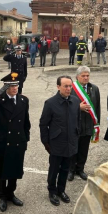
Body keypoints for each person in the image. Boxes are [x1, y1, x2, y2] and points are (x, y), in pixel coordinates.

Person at [0, 73, 31, 212]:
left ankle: (11, 193)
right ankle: (2, 196)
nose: (15, 88)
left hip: (18, 140)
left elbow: (26, 122)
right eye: (11, 86)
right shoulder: (0, 100)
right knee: (1, 170)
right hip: (2, 141)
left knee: (14, 169)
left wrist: (25, 138)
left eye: (16, 85)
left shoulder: (23, 100)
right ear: (5, 87)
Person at [39, 75, 80, 206]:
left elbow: (77, 120)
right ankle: (52, 191)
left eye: (70, 86)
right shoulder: (50, 103)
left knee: (65, 169)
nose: (68, 89)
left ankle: (61, 190)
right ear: (58, 87)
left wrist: (76, 135)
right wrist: (46, 142)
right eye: (65, 86)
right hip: (56, 143)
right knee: (54, 169)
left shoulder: (75, 101)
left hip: (70, 142)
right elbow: (43, 124)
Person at [68, 66, 100, 182]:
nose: (86, 78)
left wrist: (96, 124)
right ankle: (71, 170)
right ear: (77, 77)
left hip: (88, 125)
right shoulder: (71, 89)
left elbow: (97, 108)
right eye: (83, 76)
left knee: (84, 149)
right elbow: (64, 106)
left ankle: (80, 169)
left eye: (87, 75)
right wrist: (78, 107)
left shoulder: (94, 89)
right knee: (73, 149)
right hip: (75, 125)